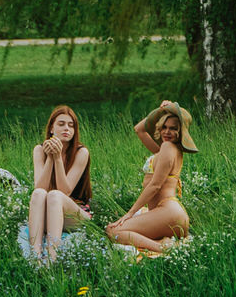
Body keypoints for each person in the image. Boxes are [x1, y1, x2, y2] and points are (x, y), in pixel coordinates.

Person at [106, 99, 196, 253]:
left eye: (173, 128)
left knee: (112, 231)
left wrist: (130, 213)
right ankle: (163, 241)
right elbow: (139, 129)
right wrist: (162, 110)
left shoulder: (168, 148)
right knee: (119, 227)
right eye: (164, 127)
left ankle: (163, 248)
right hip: (168, 214)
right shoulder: (164, 150)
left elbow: (155, 185)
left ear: (180, 132)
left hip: (168, 213)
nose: (167, 132)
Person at [28, 105, 93, 261]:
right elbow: (40, 187)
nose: (66, 129)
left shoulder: (81, 152)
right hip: (48, 213)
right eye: (61, 124)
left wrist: (57, 158)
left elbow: (65, 191)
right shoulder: (39, 150)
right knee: (38, 193)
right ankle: (35, 256)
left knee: (55, 195)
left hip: (75, 213)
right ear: (52, 128)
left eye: (71, 125)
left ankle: (52, 257)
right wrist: (50, 158)